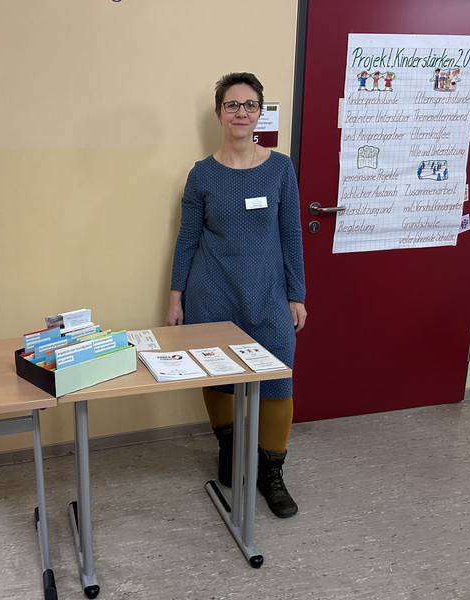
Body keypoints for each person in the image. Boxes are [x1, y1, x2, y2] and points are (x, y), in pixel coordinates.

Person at [167, 72, 307, 518]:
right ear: (219, 114)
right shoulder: (202, 174)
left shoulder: (280, 168)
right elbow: (187, 239)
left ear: (260, 113)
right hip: (212, 293)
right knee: (218, 376)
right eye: (232, 105)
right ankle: (228, 446)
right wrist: (176, 297)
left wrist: (297, 294)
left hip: (268, 294)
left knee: (278, 382)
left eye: (249, 105)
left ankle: (271, 472)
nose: (241, 112)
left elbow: (292, 235)